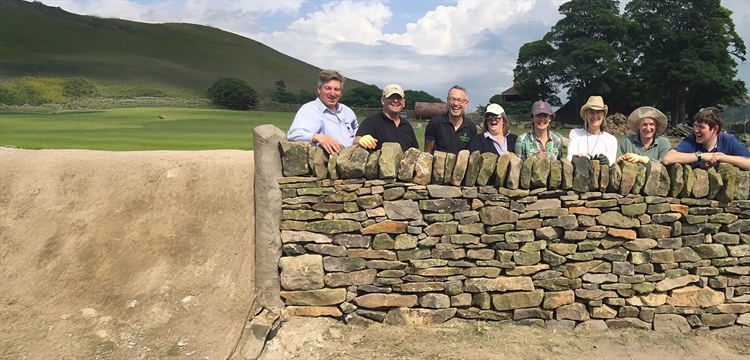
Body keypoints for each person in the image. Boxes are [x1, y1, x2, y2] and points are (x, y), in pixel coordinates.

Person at [287, 69, 358, 154]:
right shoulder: (309, 110)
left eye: (336, 89)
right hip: (327, 163)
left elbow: (357, 134)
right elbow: (293, 134)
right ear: (319, 89)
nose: (332, 93)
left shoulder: (347, 111)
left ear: (341, 92)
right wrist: (317, 137)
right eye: (328, 88)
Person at [663, 107, 750, 170]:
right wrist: (702, 156)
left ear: (715, 129)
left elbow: (748, 162)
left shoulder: (728, 141)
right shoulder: (691, 141)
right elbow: (668, 159)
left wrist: (720, 158)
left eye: (701, 127)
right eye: (695, 125)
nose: (696, 130)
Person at [353, 84, 418, 152]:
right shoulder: (371, 122)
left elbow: (414, 150)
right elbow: (356, 141)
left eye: (399, 98)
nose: (395, 100)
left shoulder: (407, 125)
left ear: (403, 102)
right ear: (383, 100)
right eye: (391, 97)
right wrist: (360, 141)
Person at [424, 85, 477, 154]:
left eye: (460, 100)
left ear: (466, 103)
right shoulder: (435, 122)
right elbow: (427, 154)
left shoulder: (471, 127)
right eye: (452, 99)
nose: (455, 103)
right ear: (447, 101)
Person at [567, 96, 617, 165]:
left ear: (603, 115)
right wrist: (575, 158)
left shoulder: (611, 140)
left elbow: (611, 163)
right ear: (586, 115)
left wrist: (606, 162)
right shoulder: (575, 133)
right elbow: (569, 157)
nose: (595, 116)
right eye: (591, 112)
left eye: (598, 112)